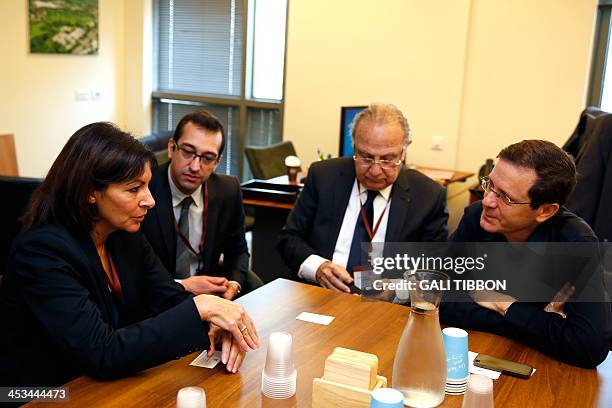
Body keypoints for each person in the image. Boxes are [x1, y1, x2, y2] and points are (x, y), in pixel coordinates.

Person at [0, 122, 259, 387]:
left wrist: (213, 325)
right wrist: (201, 307)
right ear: (90, 192)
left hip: (100, 382)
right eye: (134, 189)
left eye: (146, 186)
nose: (150, 200)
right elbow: (102, 351)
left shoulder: (123, 233)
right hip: (40, 392)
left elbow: (166, 297)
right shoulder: (41, 252)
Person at [441, 139, 611, 368]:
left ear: (545, 211)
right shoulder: (476, 220)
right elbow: (441, 301)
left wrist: (503, 304)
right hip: (481, 355)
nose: (488, 201)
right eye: (489, 185)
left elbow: (588, 347)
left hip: (543, 370)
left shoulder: (574, 242)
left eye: (506, 197)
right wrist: (540, 321)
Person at [277, 102, 448, 293]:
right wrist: (318, 268)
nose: (375, 171)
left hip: (386, 305)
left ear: (405, 148)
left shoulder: (428, 196)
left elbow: (434, 269)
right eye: (365, 157)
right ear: (354, 145)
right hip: (320, 293)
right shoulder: (323, 176)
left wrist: (398, 288)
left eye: (387, 159)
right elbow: (289, 239)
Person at [140, 110, 258, 299]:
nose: (195, 166)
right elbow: (133, 269)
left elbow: (238, 251)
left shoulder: (227, 191)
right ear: (171, 148)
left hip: (209, 299)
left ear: (217, 162)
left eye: (207, 158)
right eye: (187, 152)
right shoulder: (144, 190)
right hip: (153, 301)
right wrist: (183, 286)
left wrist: (233, 286)